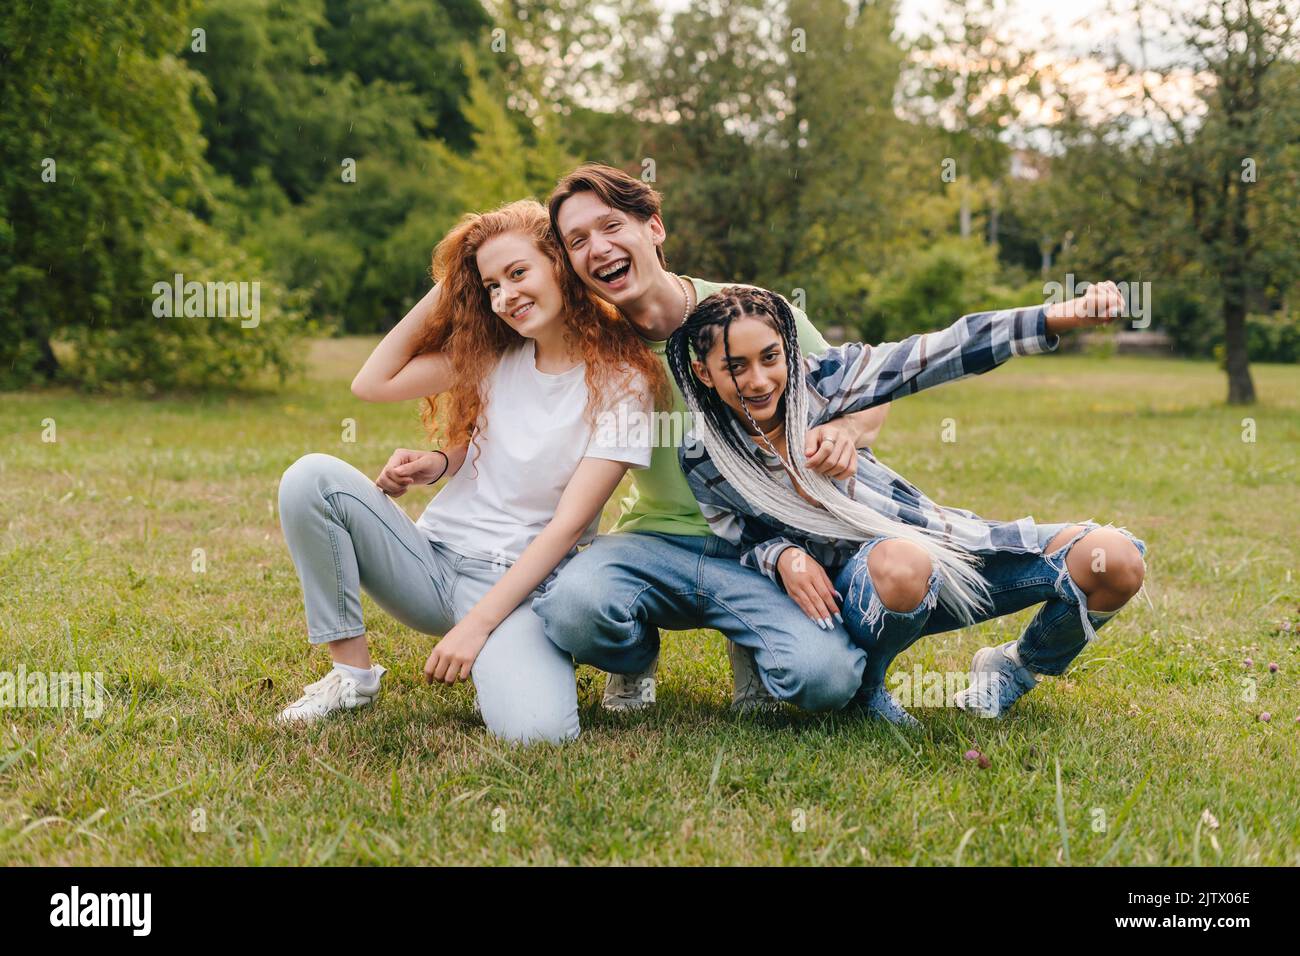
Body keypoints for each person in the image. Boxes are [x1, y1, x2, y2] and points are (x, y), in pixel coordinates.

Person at [274, 199, 666, 743]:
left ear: (561, 264)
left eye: (518, 272)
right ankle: (351, 676)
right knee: (310, 477)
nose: (504, 297)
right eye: (491, 286)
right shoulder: (494, 354)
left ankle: (631, 650)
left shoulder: (625, 383)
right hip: (431, 562)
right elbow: (373, 383)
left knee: (538, 735)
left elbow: (568, 527)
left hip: (519, 587)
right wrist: (439, 462)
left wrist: (477, 627)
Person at [667, 282, 1148, 725]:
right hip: (851, 598)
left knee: (1114, 561)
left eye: (770, 357)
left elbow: (937, 351)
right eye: (736, 366)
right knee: (902, 561)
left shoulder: (825, 381)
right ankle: (866, 691)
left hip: (941, 546)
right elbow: (740, 540)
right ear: (703, 373)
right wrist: (782, 556)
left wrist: (1057, 317)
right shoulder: (703, 455)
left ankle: (1014, 668)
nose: (758, 380)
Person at [534, 164, 889, 713]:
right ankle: (632, 660)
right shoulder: (592, 344)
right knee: (571, 607)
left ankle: (753, 643)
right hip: (654, 542)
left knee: (825, 679)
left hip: (765, 544)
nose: (597, 248)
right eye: (576, 241)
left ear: (654, 226)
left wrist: (844, 429)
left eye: (610, 227)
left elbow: (869, 389)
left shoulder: (744, 310)